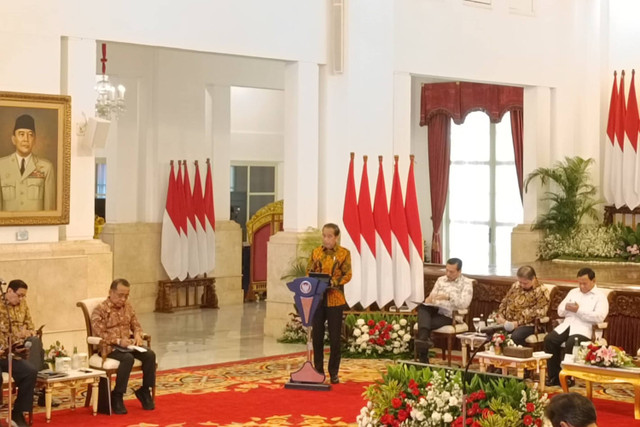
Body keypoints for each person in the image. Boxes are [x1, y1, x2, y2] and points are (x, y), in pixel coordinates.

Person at [91, 278, 156, 414]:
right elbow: (99, 333)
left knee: (149, 354)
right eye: (120, 295)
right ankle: (117, 395)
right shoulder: (100, 310)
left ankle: (145, 390)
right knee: (127, 359)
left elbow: (136, 325)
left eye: (126, 296)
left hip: (128, 345)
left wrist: (137, 335)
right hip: (109, 347)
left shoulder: (128, 307)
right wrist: (118, 341)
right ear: (111, 292)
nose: (123, 299)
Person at [544, 268, 609, 387]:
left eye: (584, 283)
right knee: (549, 339)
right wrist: (567, 308)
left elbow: (599, 317)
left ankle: (569, 377)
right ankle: (554, 376)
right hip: (567, 325)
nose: (581, 286)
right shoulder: (573, 292)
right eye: (579, 283)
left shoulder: (600, 296)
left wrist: (578, 310)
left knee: (571, 343)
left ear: (593, 281)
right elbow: (560, 311)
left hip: (585, 329)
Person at [306, 223, 352, 384]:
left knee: (334, 338)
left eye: (329, 236)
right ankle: (318, 370)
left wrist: (333, 282)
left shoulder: (344, 253)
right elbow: (308, 271)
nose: (326, 239)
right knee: (317, 336)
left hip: (335, 299)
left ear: (336, 237)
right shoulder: (316, 252)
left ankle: (334, 372)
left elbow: (348, 274)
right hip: (318, 299)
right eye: (324, 236)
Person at [415, 258, 473, 363]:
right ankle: (424, 342)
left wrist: (448, 297)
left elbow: (464, 303)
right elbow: (432, 295)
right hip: (435, 309)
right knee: (423, 307)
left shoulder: (466, 283)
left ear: (459, 271)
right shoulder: (440, 280)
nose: (448, 273)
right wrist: (429, 299)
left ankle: (423, 355)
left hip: (450, 315)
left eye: (451, 271)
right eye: (446, 270)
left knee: (424, 325)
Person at [0, 280, 38, 427]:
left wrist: (27, 333)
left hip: (11, 352)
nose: (21, 299)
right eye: (19, 295)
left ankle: (17, 414)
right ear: (9, 291)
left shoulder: (23, 305)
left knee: (30, 371)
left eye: (24, 296)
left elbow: (31, 326)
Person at [0, 114, 56, 212]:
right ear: (13, 139)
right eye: (21, 134)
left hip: (36, 227)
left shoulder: (46, 168)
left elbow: (49, 210)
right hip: (7, 227)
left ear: (34, 140)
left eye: (30, 135)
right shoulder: (1, 166)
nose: (26, 139)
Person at [494, 265, 549, 346]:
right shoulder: (516, 286)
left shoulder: (541, 290)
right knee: (493, 331)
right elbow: (505, 302)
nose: (522, 285)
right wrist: (501, 316)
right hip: (508, 322)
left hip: (529, 325)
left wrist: (517, 323)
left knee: (516, 336)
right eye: (520, 282)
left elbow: (538, 312)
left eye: (525, 283)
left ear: (533, 279)